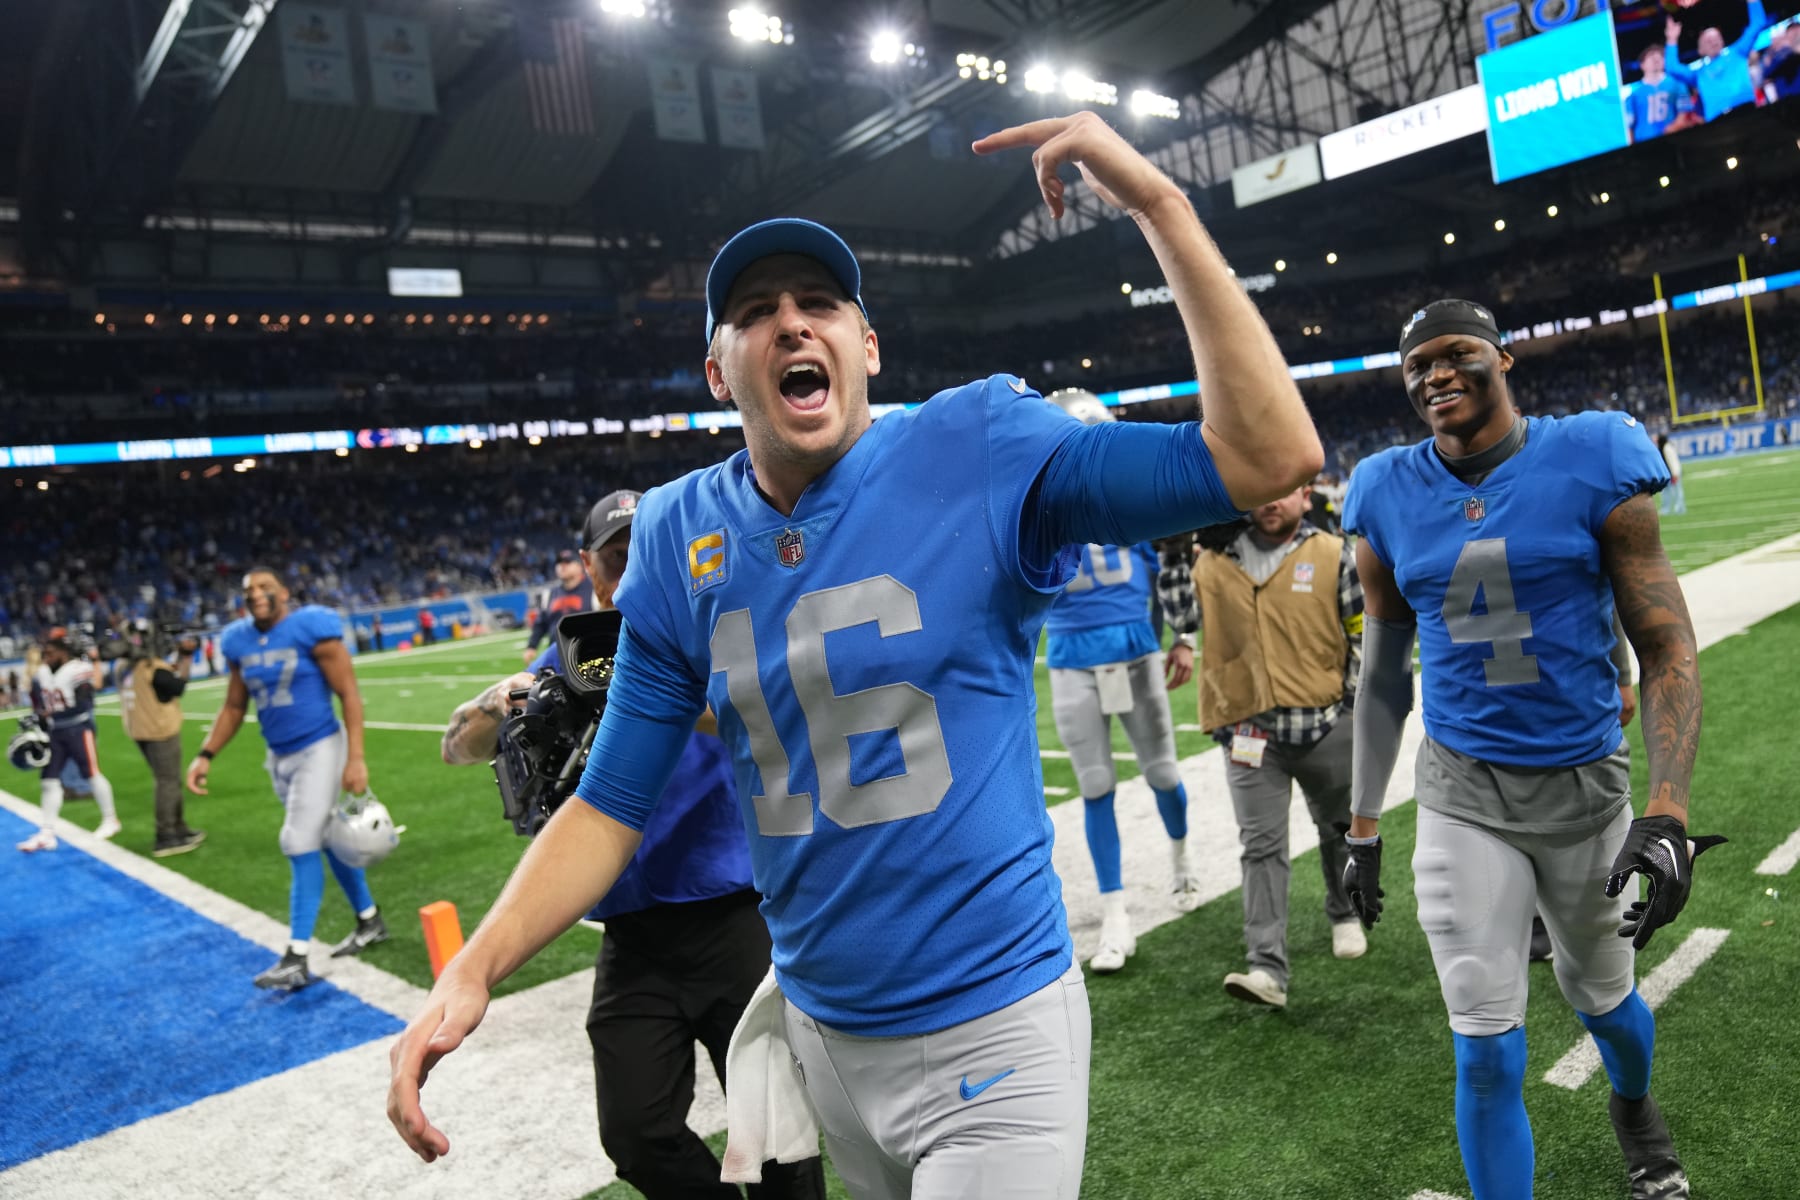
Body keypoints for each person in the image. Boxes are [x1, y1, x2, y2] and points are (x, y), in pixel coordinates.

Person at [387, 110, 1322, 1198]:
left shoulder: (980, 445)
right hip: (823, 1033)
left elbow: (1269, 457)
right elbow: (608, 802)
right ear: (715, 367)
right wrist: (475, 965)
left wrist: (1160, 207)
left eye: (819, 304)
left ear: (865, 346)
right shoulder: (682, 535)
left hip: (993, 1026)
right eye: (755, 313)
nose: (791, 325)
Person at [1340, 299, 1721, 1200]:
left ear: (1503, 359)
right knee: (1482, 1045)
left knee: (1608, 1004)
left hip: (1585, 786)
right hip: (1462, 791)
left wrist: (1667, 809)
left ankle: (1634, 1107)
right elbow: (1385, 675)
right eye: (1416, 365)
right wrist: (1360, 824)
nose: (1435, 374)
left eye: (1456, 353)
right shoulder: (1385, 488)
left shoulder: (1591, 454)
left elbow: (1667, 647)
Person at [442, 491, 824, 1200]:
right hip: (632, 932)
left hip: (734, 914)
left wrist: (634, 698)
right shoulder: (575, 651)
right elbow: (454, 747)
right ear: (587, 567)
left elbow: (765, 718)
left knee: (780, 1138)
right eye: (615, 559)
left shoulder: (712, 623)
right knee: (635, 1134)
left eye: (644, 553)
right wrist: (499, 702)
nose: (630, 572)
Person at [1173, 483, 1366, 1010]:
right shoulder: (1213, 556)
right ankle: (1266, 967)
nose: (1272, 499)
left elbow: (1362, 635)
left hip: (1324, 724)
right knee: (1260, 846)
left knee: (1338, 829)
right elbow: (1182, 619)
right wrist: (1171, 553)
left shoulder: (1331, 553)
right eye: (1264, 490)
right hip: (1248, 732)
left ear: (1306, 498)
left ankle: (1344, 911)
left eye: (1286, 491)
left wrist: (1350, 708)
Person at [1039, 387, 1198, 976]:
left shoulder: (1132, 505)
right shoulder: (1037, 510)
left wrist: (1184, 634)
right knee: (1096, 784)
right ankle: (1114, 912)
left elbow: (1172, 567)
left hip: (1134, 651)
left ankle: (1182, 859)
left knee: (1160, 772)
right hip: (1072, 659)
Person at [185, 568, 388, 990]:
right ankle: (370, 920)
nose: (256, 595)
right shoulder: (237, 639)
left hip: (320, 746)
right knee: (325, 839)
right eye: (248, 590)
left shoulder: (311, 626)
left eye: (265, 588)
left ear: (284, 593)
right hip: (279, 755)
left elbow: (348, 692)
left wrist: (357, 758)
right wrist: (206, 754)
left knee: (298, 841)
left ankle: (296, 957)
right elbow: (234, 706)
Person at [16, 633, 121, 852]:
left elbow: (85, 702)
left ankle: (110, 820)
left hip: (78, 728)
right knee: (49, 780)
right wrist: (37, 718)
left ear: (63, 652)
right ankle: (47, 832)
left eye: (51, 653)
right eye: (45, 653)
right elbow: (39, 703)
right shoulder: (42, 674)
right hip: (56, 731)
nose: (46, 657)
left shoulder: (78, 670)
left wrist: (46, 714)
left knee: (91, 772)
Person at [114, 623, 206, 857]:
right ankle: (166, 835)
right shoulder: (151, 668)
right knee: (168, 782)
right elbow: (177, 687)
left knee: (168, 780)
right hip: (159, 729)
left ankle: (179, 827)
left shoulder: (123, 667)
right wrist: (186, 658)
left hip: (139, 729)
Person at [1663, 4, 1770, 121]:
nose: (1713, 42)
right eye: (1708, 40)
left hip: (1747, 111)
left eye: (1716, 38)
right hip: (1718, 122)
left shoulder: (1737, 52)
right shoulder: (1698, 74)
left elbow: (1758, 23)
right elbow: (1672, 68)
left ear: (1722, 41)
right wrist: (1671, 40)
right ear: (1700, 50)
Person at [523, 547, 593, 666]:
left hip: (587, 653)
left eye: (567, 562)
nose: (562, 566)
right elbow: (541, 623)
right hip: (556, 654)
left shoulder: (594, 590)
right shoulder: (549, 594)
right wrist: (532, 646)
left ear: (579, 566)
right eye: (559, 563)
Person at [1625, 44, 1695, 142]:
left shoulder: (1678, 85)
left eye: (1660, 56)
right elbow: (1628, 126)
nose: (1656, 58)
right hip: (1644, 146)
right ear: (1642, 65)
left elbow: (1686, 111)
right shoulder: (1634, 95)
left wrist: (1675, 126)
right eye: (1651, 56)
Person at [1657, 433, 1686, 515]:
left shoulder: (1667, 448)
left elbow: (1672, 461)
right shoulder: (1665, 447)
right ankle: (1667, 509)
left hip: (1672, 473)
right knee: (1667, 492)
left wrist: (1675, 474)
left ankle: (1679, 508)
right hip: (1668, 473)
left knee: (1676, 491)